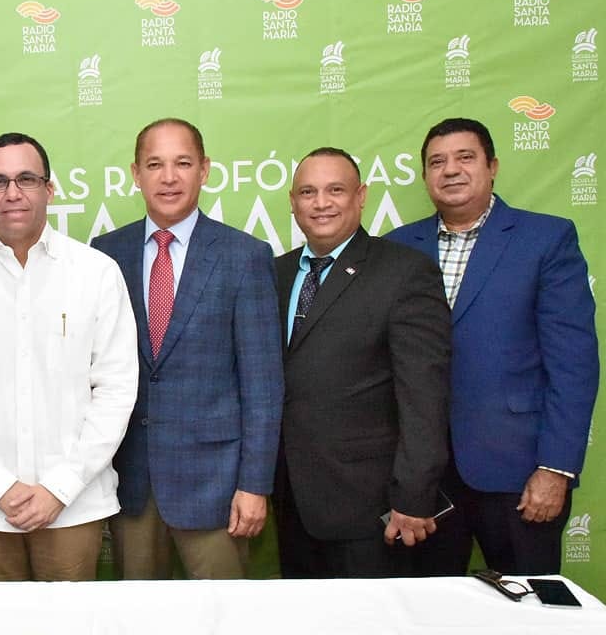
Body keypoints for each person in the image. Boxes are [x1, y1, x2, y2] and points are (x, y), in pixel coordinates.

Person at [0, 132, 138, 582]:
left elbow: (116, 390)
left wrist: (60, 489)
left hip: (74, 506)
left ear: (49, 189)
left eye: (26, 179)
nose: (12, 192)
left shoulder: (95, 273)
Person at [388, 118, 599, 575]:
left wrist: (556, 469)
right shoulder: (398, 247)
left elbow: (574, 366)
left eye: (465, 158)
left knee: (530, 613)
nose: (450, 171)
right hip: (425, 481)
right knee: (428, 616)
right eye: (436, 162)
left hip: (518, 473)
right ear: (424, 176)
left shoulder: (545, 240)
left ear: (492, 166)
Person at [91, 118, 283, 579]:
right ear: (136, 174)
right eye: (155, 164)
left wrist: (254, 486)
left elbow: (263, 386)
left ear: (205, 170)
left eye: (182, 163)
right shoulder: (103, 254)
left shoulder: (244, 256)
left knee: (222, 621)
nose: (169, 177)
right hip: (130, 482)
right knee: (139, 621)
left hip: (215, 487)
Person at [274, 147, 451, 578]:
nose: (321, 203)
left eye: (336, 190)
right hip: (290, 500)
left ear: (361, 196)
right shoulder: (272, 274)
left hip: (372, 507)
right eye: (308, 192)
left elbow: (424, 397)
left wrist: (413, 497)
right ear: (293, 203)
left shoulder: (405, 272)